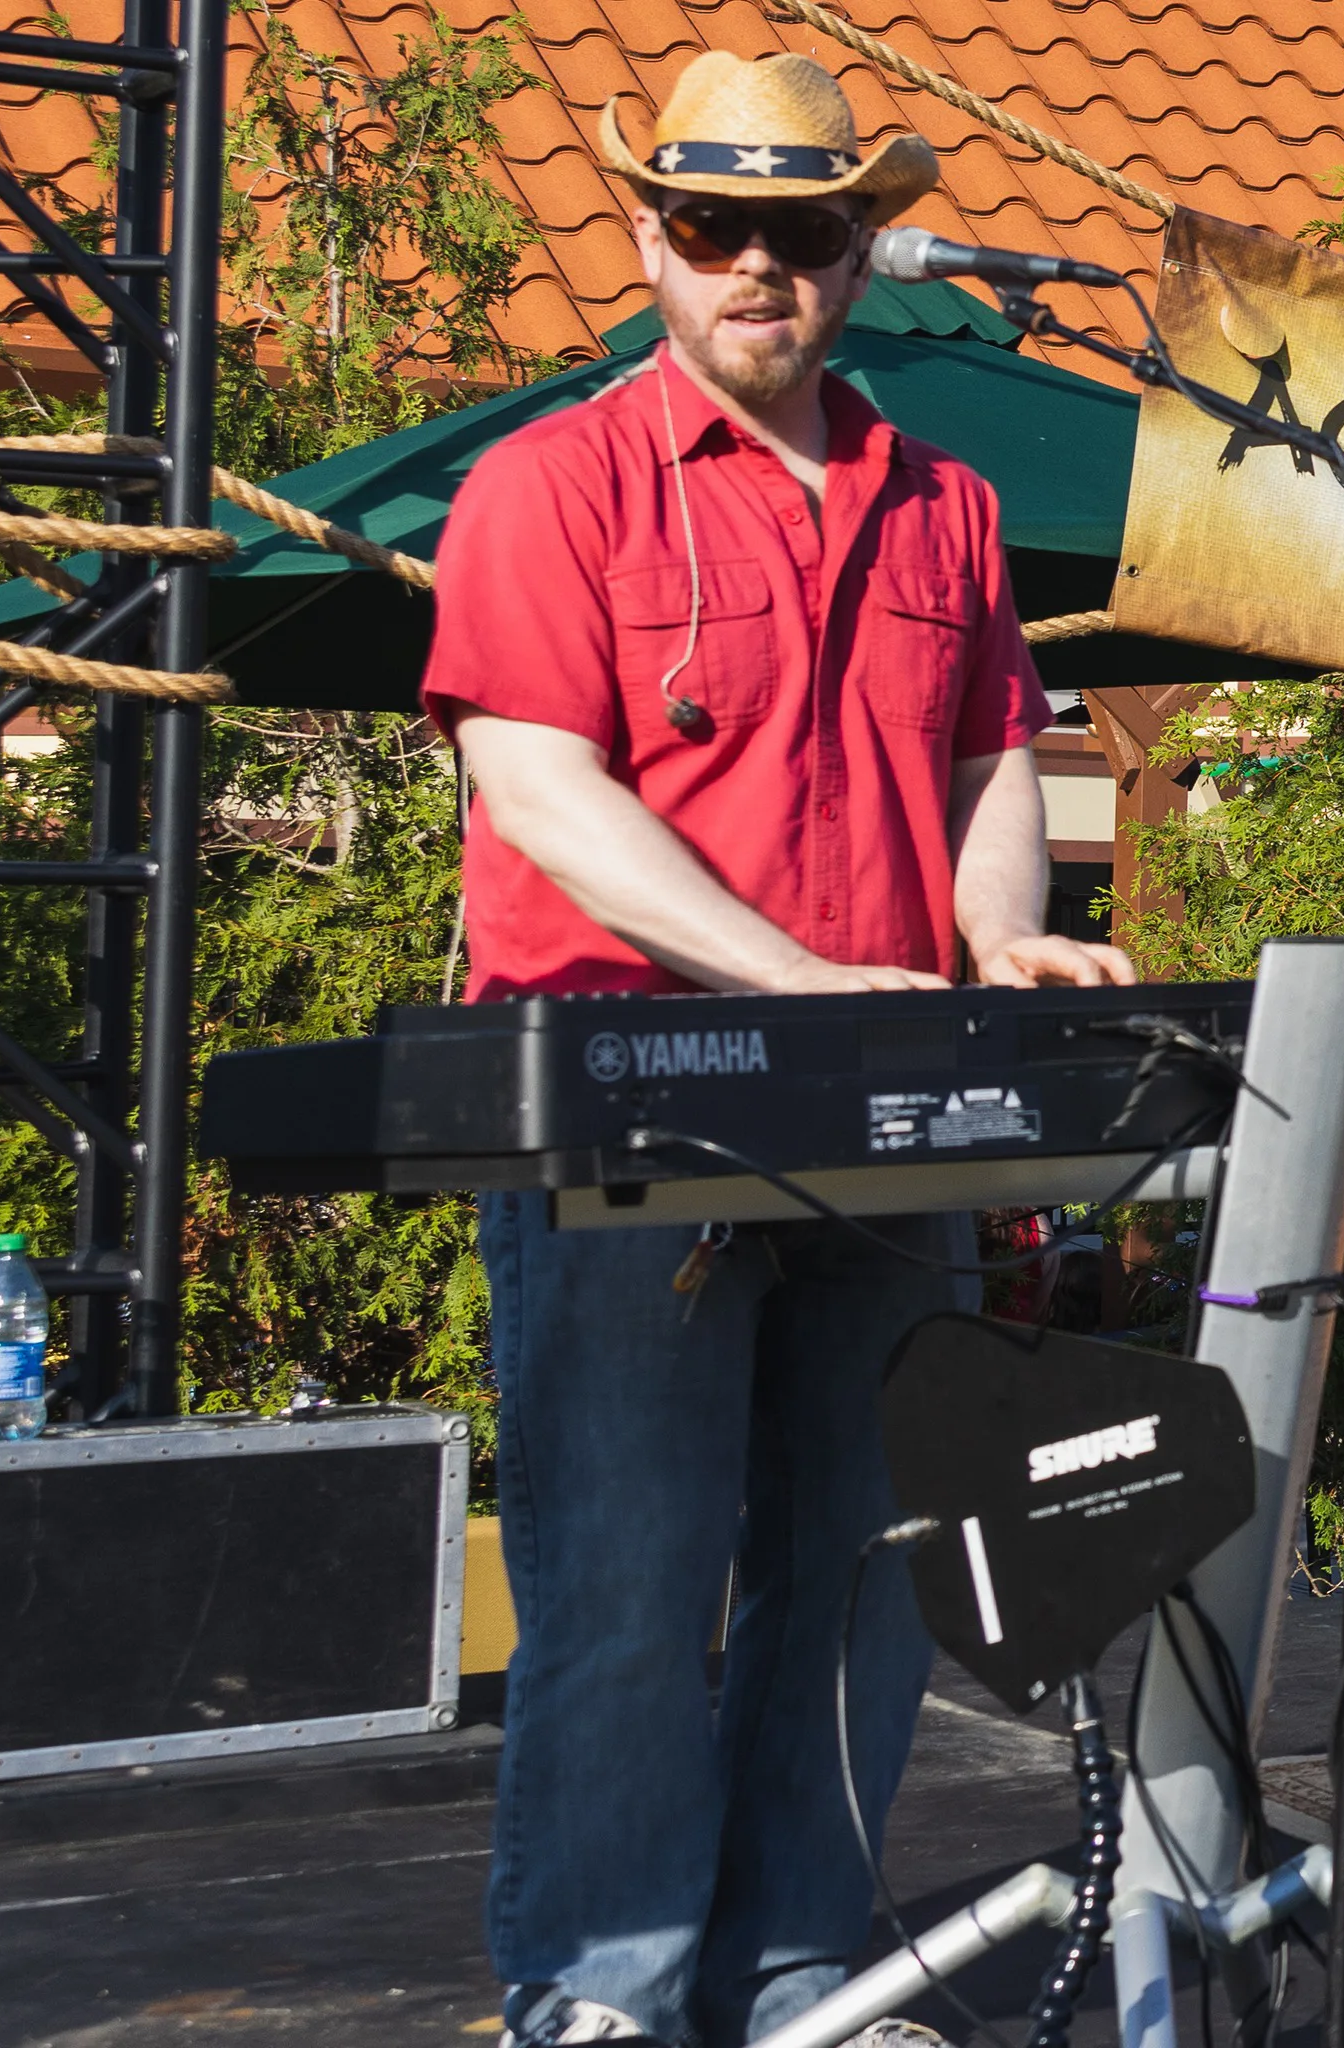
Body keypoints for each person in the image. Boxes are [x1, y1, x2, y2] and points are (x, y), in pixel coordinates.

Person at [425, 53, 1133, 2046]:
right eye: (714, 224)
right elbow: (542, 791)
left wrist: (1005, 931)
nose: (760, 264)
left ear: (859, 244)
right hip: (623, 1114)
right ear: (647, 232)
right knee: (629, 1602)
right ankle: (606, 2003)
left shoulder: (951, 506)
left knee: (869, 1578)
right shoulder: (546, 487)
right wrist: (791, 979)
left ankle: (804, 1988)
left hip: (897, 1118)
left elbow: (999, 751)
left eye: (804, 229)